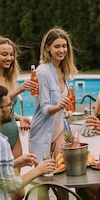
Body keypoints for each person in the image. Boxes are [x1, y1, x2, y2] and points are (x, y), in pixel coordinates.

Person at [0, 36, 37, 200]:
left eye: (11, 54)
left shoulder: (8, 77)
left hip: (13, 135)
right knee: (5, 188)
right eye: (4, 54)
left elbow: (6, 109)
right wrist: (19, 90)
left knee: (17, 189)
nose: (9, 58)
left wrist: (20, 117)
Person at [28, 27, 77, 161]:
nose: (62, 50)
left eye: (64, 46)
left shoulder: (63, 69)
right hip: (42, 131)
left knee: (66, 166)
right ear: (47, 47)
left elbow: (61, 102)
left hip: (60, 128)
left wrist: (65, 110)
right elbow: (45, 109)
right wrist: (60, 106)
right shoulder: (42, 72)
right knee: (46, 177)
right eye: (57, 46)